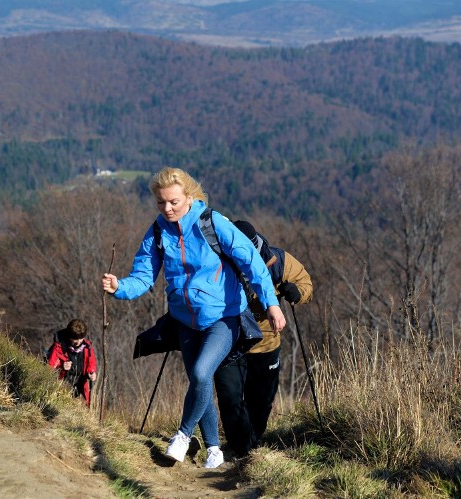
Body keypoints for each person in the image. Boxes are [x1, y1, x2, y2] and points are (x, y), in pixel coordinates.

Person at [101, 167, 285, 469]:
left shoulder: (213, 223)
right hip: (185, 322)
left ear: (188, 196)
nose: (167, 208)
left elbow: (251, 261)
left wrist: (271, 303)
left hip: (223, 317)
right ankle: (214, 449)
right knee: (198, 385)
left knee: (201, 374)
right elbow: (143, 277)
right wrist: (119, 287)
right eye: (161, 203)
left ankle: (183, 435)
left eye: (173, 201)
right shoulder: (158, 231)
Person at [214, 220, 313, 458]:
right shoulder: (216, 259)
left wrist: (296, 293)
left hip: (266, 343)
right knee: (230, 397)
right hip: (228, 341)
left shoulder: (276, 261)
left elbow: (305, 283)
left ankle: (251, 446)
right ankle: (240, 450)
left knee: (261, 403)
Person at [48, 319, 97, 407]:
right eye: (75, 339)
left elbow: (91, 362)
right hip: (63, 383)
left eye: (81, 339)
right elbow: (50, 367)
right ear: (69, 336)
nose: (78, 342)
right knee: (64, 406)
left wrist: (91, 372)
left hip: (81, 382)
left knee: (86, 406)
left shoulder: (87, 347)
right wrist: (61, 366)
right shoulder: (59, 347)